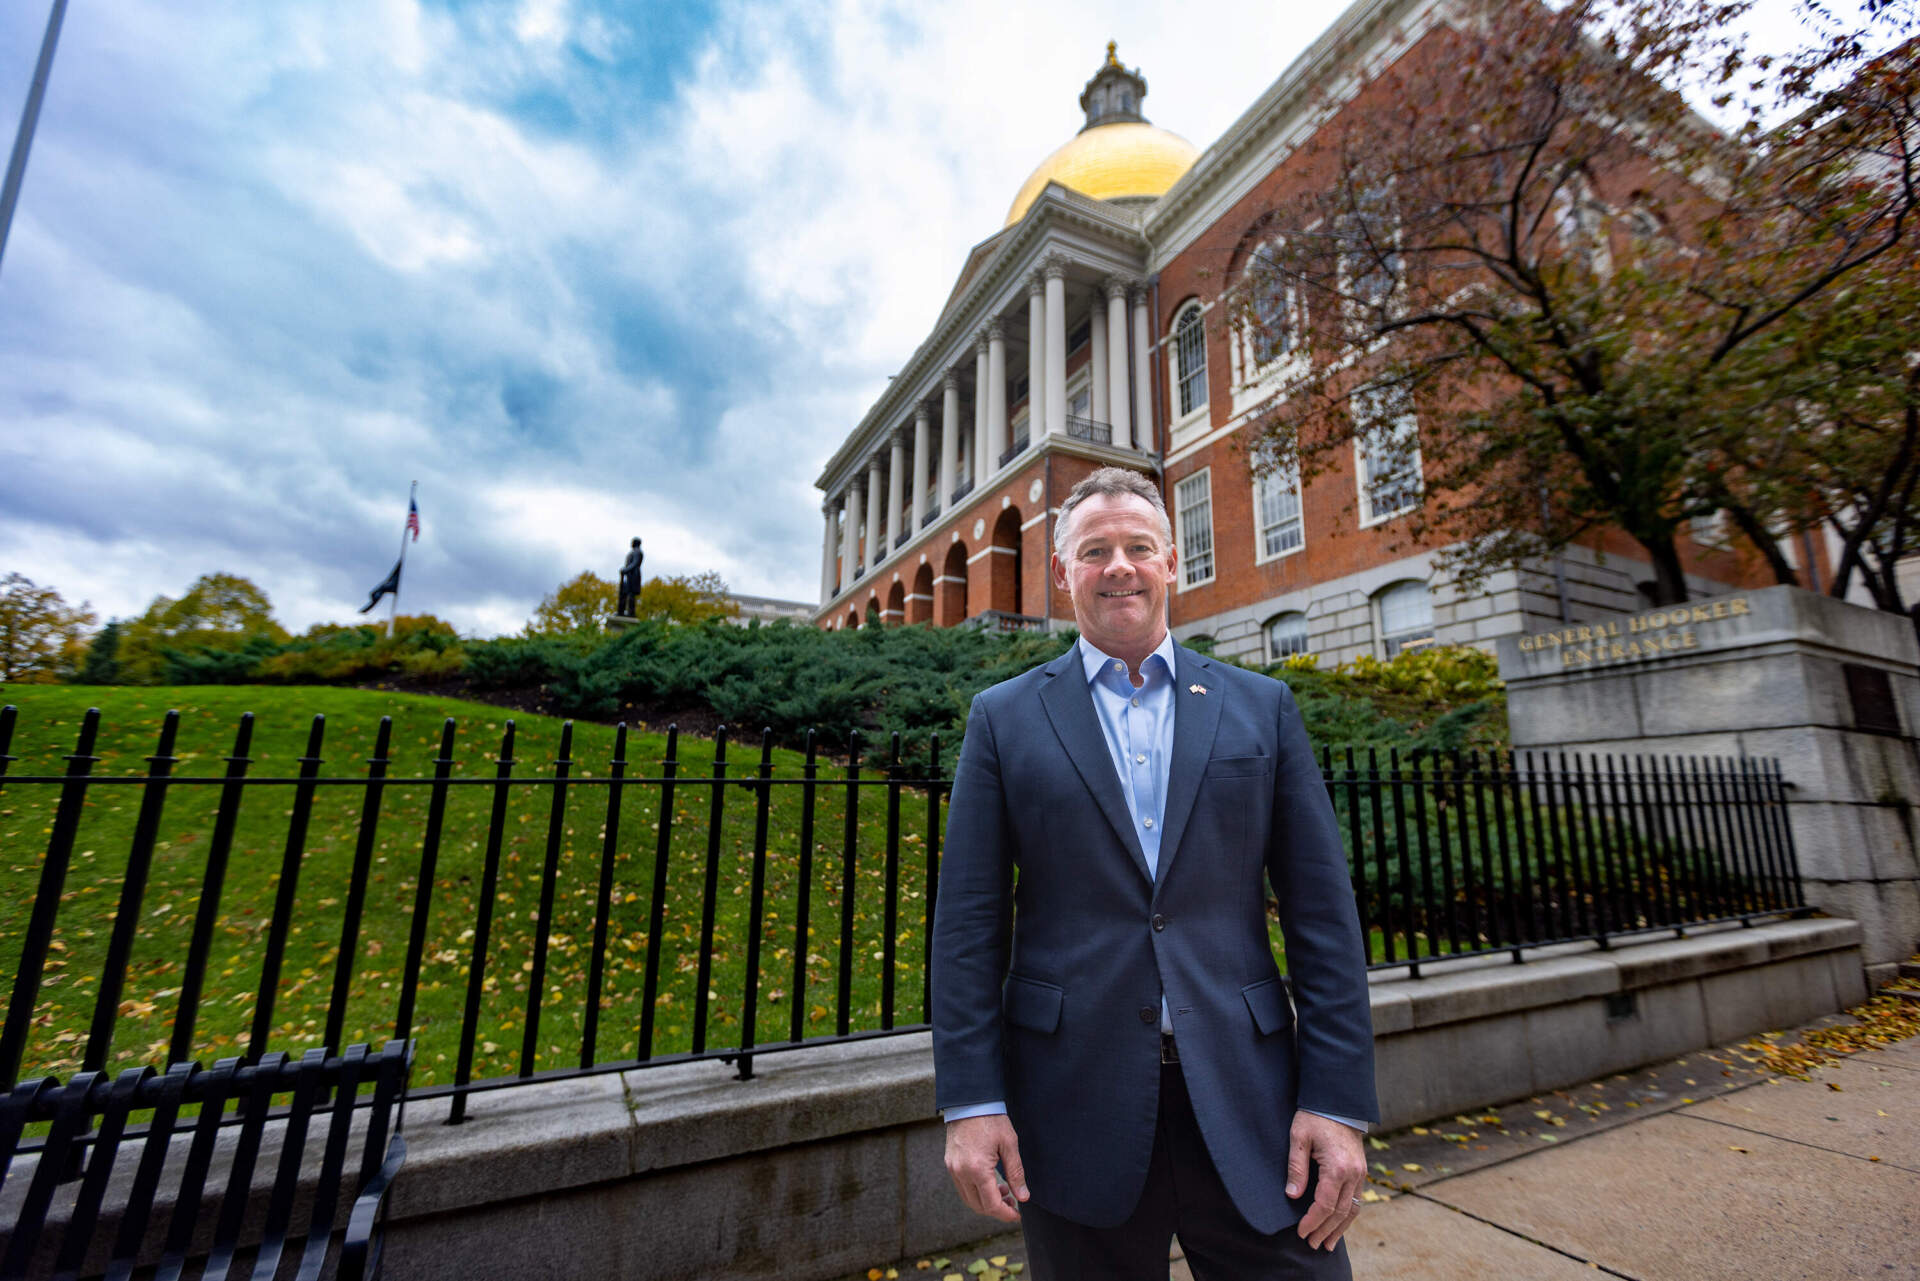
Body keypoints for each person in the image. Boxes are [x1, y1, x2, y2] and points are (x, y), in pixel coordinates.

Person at [931, 467, 1377, 1280]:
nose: (1120, 566)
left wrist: (1338, 1102)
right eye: (1094, 550)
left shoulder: (1262, 707)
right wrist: (972, 1102)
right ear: (1064, 573)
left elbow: (1323, 918)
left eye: (1139, 546)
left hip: (1254, 1106)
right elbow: (968, 928)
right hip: (1071, 1110)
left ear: (1171, 560)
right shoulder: (1002, 718)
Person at [617, 537, 644, 617]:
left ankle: (631, 613)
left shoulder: (638, 552)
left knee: (631, 594)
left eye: (632, 542)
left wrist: (626, 570)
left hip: (633, 575)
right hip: (628, 574)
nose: (631, 543)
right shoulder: (633, 552)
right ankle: (621, 611)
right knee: (624, 592)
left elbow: (635, 563)